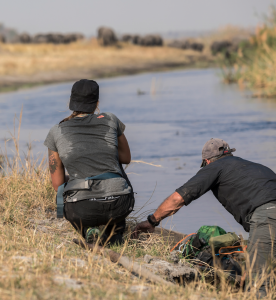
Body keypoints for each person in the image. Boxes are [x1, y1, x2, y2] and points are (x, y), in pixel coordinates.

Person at [133, 138, 276, 297]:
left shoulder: (215, 167)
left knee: (259, 285)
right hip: (268, 217)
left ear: (207, 161)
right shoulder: (255, 167)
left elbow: (178, 199)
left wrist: (152, 221)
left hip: (268, 217)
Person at [44, 79, 134, 245]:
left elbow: (57, 185)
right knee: (115, 167)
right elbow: (126, 158)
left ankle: (86, 229)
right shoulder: (111, 119)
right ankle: (115, 229)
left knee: (70, 191)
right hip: (120, 204)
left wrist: (78, 176)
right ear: (97, 103)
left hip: (81, 209)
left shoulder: (56, 131)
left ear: (70, 102)